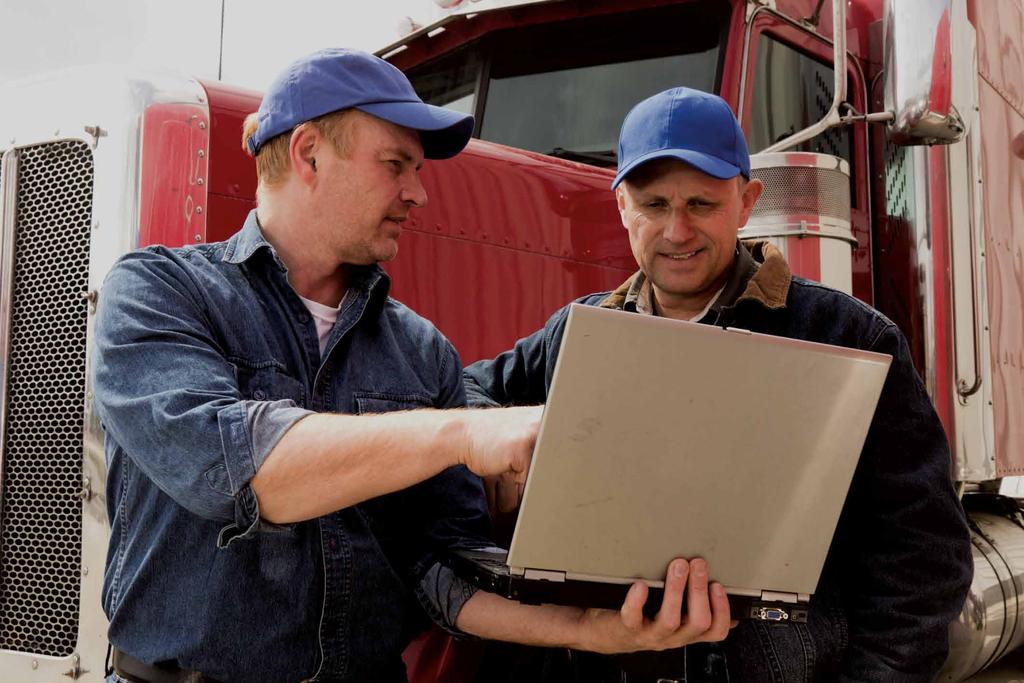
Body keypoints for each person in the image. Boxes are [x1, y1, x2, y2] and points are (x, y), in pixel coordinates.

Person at [92, 52, 732, 683]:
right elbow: (239, 470)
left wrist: (590, 632)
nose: (417, 192)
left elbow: (441, 570)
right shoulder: (158, 293)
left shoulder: (421, 350)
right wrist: (460, 433)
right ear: (309, 153)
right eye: (396, 164)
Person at [463, 87, 974, 682]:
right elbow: (465, 392)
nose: (677, 231)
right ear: (622, 206)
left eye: (702, 204)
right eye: (654, 204)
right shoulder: (576, 334)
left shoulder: (847, 338)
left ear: (747, 200)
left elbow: (921, 557)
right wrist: (497, 442)